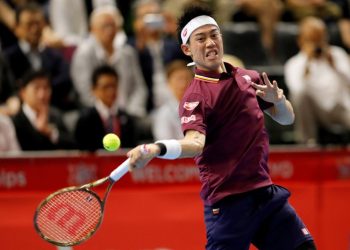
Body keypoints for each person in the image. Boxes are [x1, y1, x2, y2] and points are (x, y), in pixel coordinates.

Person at [126, 5, 316, 250]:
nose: (210, 43)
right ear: (187, 49)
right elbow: (195, 144)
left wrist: (279, 101)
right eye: (200, 38)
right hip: (229, 204)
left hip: (266, 195)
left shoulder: (251, 79)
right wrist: (157, 148)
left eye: (214, 35)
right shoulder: (195, 97)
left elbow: (286, 119)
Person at [71, 5, 147, 118]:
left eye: (113, 25)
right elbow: (86, 93)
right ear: (92, 29)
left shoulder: (128, 53)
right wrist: (108, 112)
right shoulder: (83, 54)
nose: (110, 30)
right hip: (98, 116)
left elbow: (139, 88)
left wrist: (131, 111)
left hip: (129, 113)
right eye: (105, 26)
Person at [285, 16, 350, 145]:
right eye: (312, 39)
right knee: (299, 95)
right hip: (315, 112)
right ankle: (308, 143)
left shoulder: (338, 54)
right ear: (300, 40)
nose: (317, 44)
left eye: (320, 38)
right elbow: (297, 91)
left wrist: (335, 66)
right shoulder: (294, 63)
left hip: (341, 108)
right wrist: (307, 65)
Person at [3, 2, 75, 111]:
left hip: (54, 109)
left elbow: (65, 80)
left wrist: (36, 91)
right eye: (29, 24)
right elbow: (8, 89)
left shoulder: (53, 54)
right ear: (17, 28)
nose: (35, 29)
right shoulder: (7, 58)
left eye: (38, 23)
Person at [74, 65, 137, 151]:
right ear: (94, 89)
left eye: (113, 86)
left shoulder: (127, 119)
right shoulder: (85, 119)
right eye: (105, 87)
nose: (111, 91)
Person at [11, 69, 76, 151]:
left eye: (46, 88)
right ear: (23, 93)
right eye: (36, 88)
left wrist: (50, 132)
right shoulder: (14, 121)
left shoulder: (55, 116)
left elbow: (74, 146)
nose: (42, 95)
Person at [152, 60, 193, 140]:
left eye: (187, 79)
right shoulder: (163, 114)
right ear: (168, 83)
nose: (183, 84)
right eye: (179, 79)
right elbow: (165, 145)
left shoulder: (201, 108)